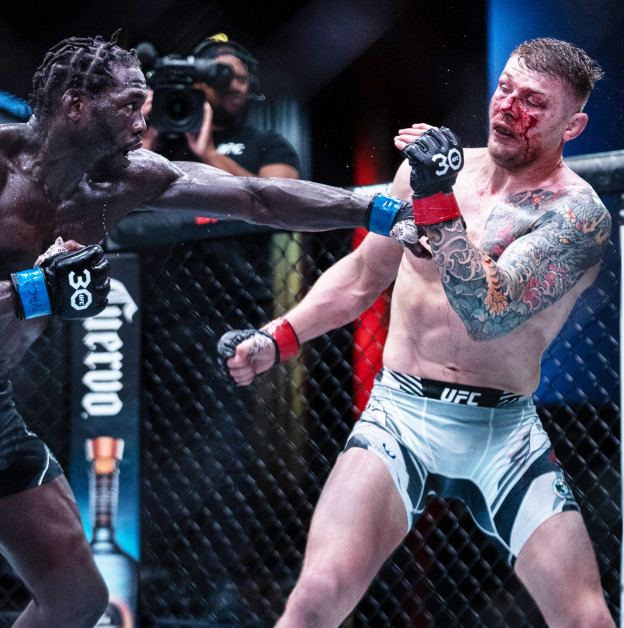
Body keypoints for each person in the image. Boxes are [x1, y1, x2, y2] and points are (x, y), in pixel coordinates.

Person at [0, 33, 422, 627]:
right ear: (75, 104)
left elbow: (257, 197)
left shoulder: (128, 179)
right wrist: (32, 291)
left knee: (78, 600)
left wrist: (377, 210)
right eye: (130, 104)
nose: (143, 120)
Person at [219, 37, 614, 627]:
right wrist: (277, 338)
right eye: (505, 88)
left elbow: (488, 311)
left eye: (533, 101)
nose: (509, 107)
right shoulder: (430, 172)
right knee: (316, 594)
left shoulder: (577, 216)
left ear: (572, 125)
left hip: (502, 431)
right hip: (400, 413)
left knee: (585, 619)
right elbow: (362, 276)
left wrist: (433, 200)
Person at [141, 33, 300, 179]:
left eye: (242, 79)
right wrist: (143, 143)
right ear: (197, 84)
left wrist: (210, 154)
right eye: (222, 79)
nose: (235, 87)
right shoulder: (155, 137)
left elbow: (280, 197)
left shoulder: (269, 144)